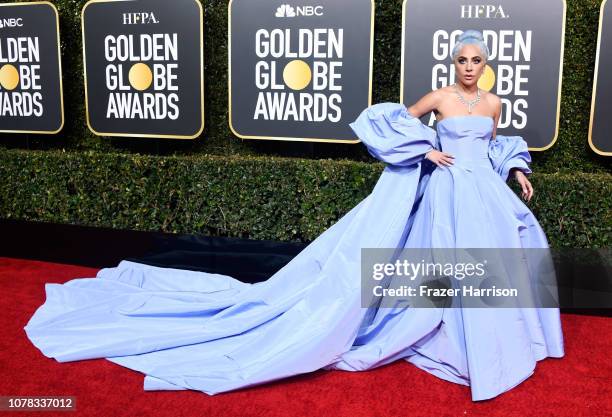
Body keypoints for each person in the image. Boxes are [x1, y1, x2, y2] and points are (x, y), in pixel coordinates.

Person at [23, 29, 564, 401]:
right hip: (445, 193)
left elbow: (495, 146)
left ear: (486, 65)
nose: (469, 68)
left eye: (476, 61)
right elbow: (388, 120)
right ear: (454, 64)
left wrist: (517, 170)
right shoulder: (439, 97)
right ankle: (443, 332)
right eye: (462, 60)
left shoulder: (493, 104)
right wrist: (424, 150)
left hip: (482, 195)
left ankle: (489, 339)